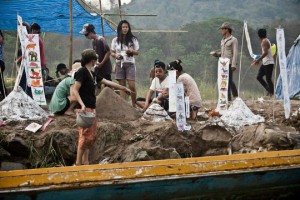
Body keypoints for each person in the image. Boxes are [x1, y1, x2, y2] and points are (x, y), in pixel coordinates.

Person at [73, 49, 133, 165]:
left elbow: (107, 82)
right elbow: (75, 90)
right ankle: (78, 163)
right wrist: (82, 104)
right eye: (96, 58)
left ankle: (86, 161)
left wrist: (123, 88)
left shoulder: (93, 73)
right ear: (92, 60)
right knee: (84, 135)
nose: (97, 60)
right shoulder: (82, 72)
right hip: (84, 108)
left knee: (91, 136)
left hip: (92, 107)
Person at [111, 20, 139, 107]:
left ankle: (134, 104)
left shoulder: (133, 39)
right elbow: (111, 52)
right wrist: (116, 55)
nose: (125, 29)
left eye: (126, 27)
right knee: (122, 85)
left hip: (130, 63)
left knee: (131, 85)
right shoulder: (115, 40)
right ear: (120, 28)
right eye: (123, 27)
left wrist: (131, 51)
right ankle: (123, 105)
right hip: (119, 63)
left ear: (129, 28)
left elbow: (137, 52)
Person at [212, 22, 238, 101]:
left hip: (229, 63)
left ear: (227, 29)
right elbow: (223, 53)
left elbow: (235, 53)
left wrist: (234, 64)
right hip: (223, 64)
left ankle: (236, 96)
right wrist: (216, 54)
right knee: (225, 81)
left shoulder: (233, 40)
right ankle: (228, 98)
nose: (221, 31)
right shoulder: (222, 40)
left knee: (229, 80)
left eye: (222, 29)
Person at [251, 29, 275, 96]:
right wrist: (257, 58)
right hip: (265, 63)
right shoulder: (265, 40)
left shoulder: (264, 41)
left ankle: (271, 93)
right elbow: (264, 54)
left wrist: (258, 60)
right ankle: (269, 90)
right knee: (259, 77)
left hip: (269, 63)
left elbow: (266, 53)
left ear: (259, 35)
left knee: (268, 79)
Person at [0, 30, 7, 100]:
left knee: (0, 80)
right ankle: (4, 94)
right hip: (1, 62)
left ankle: (4, 94)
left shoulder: (0, 38)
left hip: (0, 62)